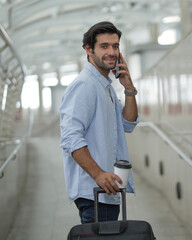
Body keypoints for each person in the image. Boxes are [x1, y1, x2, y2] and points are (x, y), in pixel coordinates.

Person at [59, 21, 138, 224]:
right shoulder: (85, 85)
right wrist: (99, 174)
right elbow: (70, 138)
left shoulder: (106, 87)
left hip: (107, 191)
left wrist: (129, 88)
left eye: (115, 46)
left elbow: (128, 124)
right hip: (94, 191)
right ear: (89, 50)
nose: (111, 52)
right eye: (104, 46)